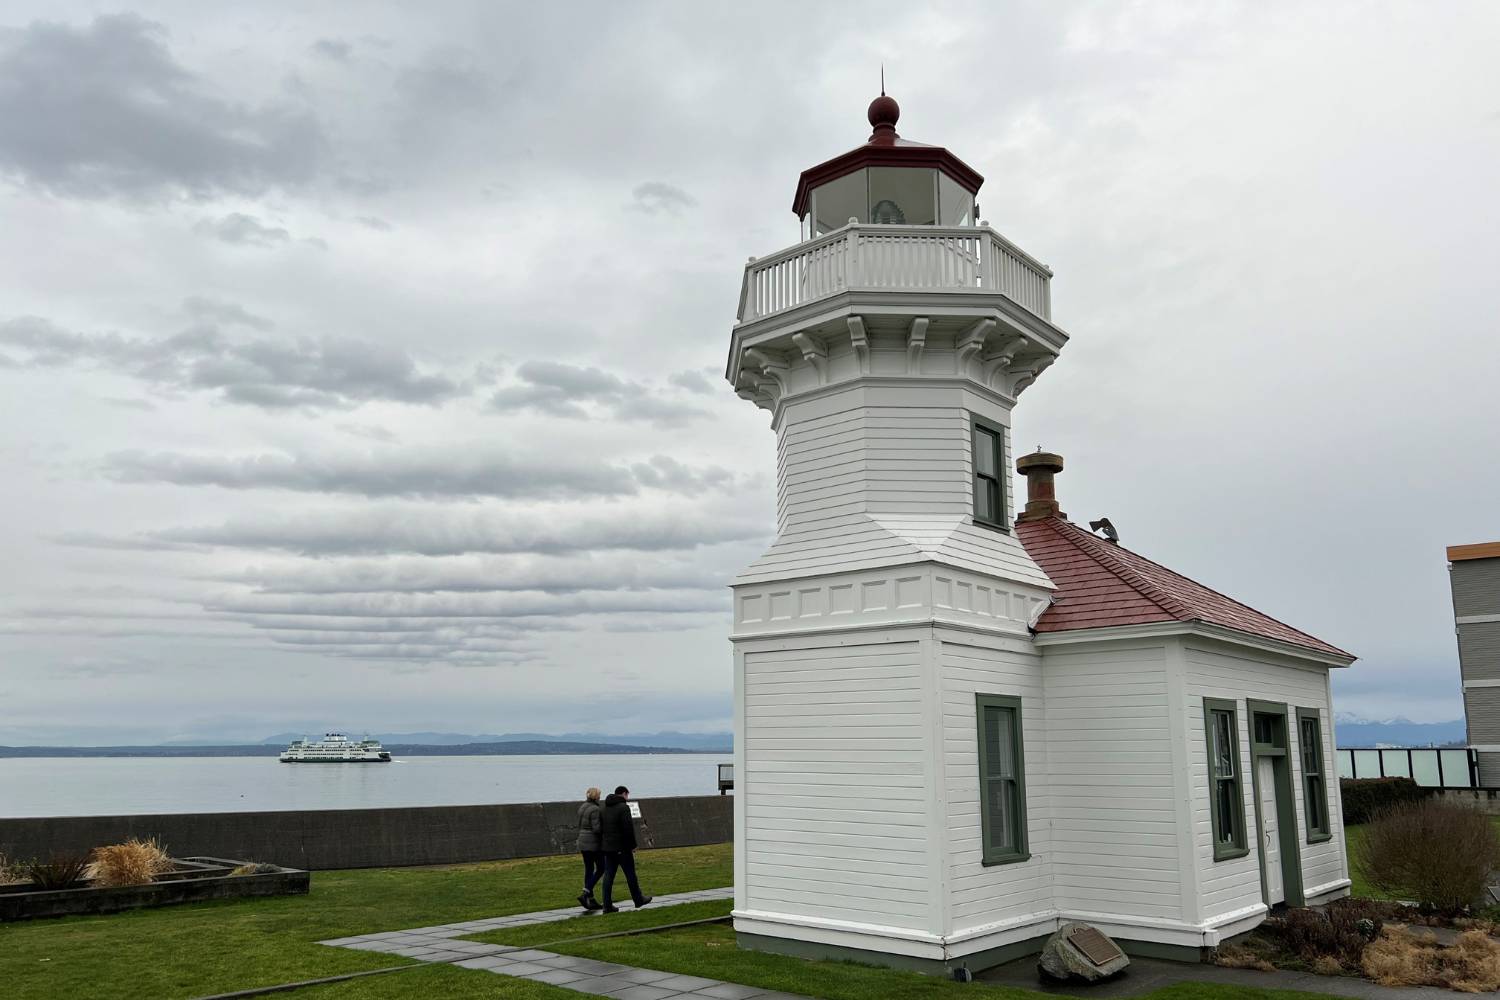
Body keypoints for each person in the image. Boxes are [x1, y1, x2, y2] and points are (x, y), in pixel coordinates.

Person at [599, 784, 652, 913]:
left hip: (608, 848)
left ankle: (606, 904)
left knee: (608, 876)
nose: (628, 798)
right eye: (627, 795)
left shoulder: (604, 808)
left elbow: (601, 828)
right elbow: (628, 829)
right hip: (622, 848)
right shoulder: (624, 808)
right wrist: (633, 846)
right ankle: (638, 899)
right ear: (624, 794)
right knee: (630, 874)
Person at [575, 787, 604, 910]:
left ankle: (591, 900)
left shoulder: (583, 807)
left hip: (582, 841)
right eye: (599, 795)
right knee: (602, 867)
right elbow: (597, 829)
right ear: (596, 796)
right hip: (592, 843)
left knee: (589, 869)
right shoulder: (595, 809)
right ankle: (586, 893)